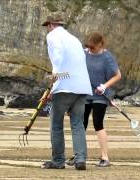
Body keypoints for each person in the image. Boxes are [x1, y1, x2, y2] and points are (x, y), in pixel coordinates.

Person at [41, 12, 92, 170]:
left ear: (51, 25)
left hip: (64, 85)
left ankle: (58, 161)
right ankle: (80, 159)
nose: (47, 30)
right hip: (81, 85)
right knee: (77, 124)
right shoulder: (74, 39)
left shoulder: (53, 36)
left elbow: (58, 56)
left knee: (56, 124)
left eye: (47, 27)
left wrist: (54, 80)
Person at [66, 32, 121, 167]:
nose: (90, 49)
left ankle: (105, 157)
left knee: (98, 123)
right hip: (85, 94)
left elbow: (118, 75)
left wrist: (104, 86)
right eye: (89, 47)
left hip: (101, 96)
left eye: (93, 47)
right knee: (80, 124)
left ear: (100, 44)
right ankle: (79, 155)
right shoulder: (84, 54)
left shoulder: (107, 57)